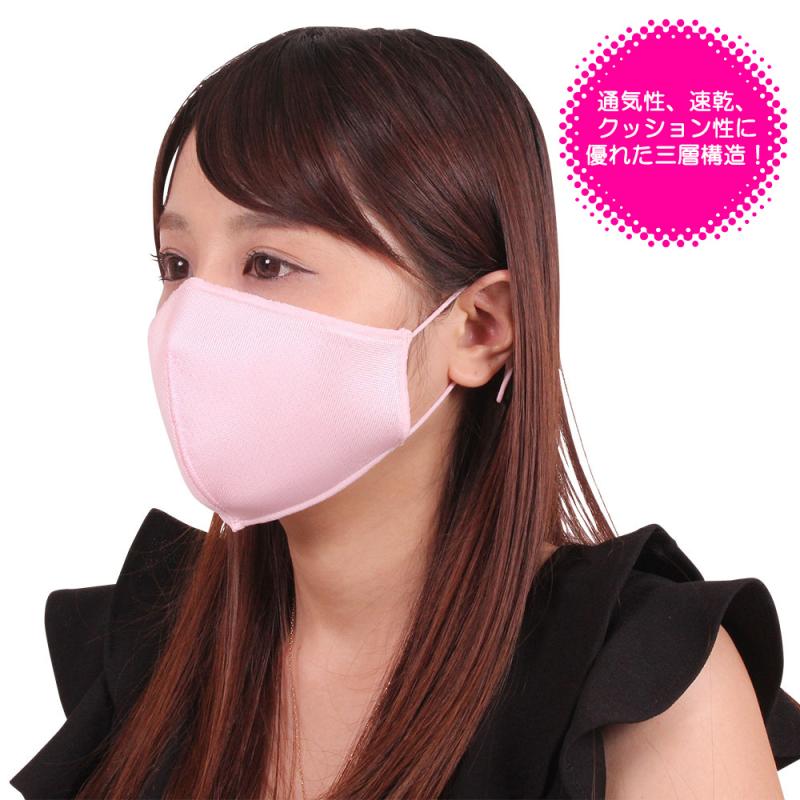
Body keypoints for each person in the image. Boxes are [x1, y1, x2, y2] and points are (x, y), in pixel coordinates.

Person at [10, 25, 800, 800]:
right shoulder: (147, 656)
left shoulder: (646, 686)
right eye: (177, 264)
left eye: (268, 264)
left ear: (481, 328)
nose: (193, 322)